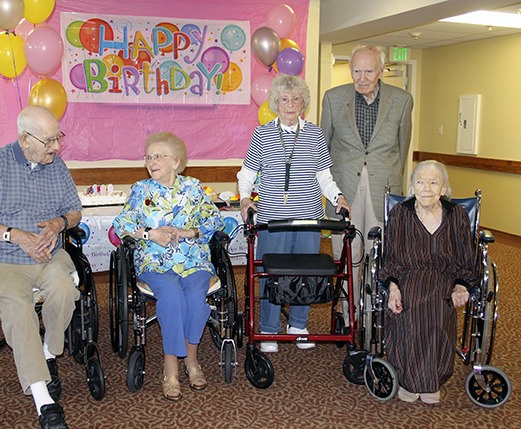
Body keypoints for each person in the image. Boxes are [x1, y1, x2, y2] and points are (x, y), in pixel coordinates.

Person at [0, 106, 81, 429]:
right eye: (49, 141)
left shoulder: (56, 167)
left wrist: (59, 223)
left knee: (65, 289)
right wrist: (13, 235)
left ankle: (48, 351)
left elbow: (75, 211)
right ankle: (44, 400)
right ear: (24, 139)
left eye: (58, 138)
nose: (56, 147)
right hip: (3, 258)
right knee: (19, 309)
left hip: (48, 254)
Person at [238, 74, 350, 353]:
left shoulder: (314, 134)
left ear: (304, 103)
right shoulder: (262, 134)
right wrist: (243, 199)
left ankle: (298, 324)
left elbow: (324, 175)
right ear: (276, 102)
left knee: (305, 271)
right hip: (272, 218)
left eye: (296, 99)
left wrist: (338, 197)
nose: (290, 105)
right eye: (284, 99)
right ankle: (269, 329)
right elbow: (248, 173)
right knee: (269, 272)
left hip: (308, 217)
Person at [112, 131, 224, 401]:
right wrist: (150, 234)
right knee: (172, 297)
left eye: (159, 156)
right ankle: (171, 366)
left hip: (192, 259)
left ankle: (192, 361)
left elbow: (215, 220)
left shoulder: (193, 187)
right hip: (155, 260)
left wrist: (189, 233)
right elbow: (122, 224)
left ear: (176, 161)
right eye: (148, 156)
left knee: (196, 299)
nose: (152, 161)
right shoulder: (141, 190)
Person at [320, 45, 414, 328]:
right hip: (344, 190)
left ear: (381, 71)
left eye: (368, 71)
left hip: (382, 188)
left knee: (381, 253)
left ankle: (378, 315)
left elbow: (402, 147)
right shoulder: (334, 99)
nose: (361, 77)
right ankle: (351, 317)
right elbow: (323, 148)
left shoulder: (402, 100)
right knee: (348, 254)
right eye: (356, 70)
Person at [379, 160, 477, 404]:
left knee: (436, 307)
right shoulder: (400, 213)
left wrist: (461, 285)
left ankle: (430, 379)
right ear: (412, 186)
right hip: (407, 276)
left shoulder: (457, 215)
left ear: (444, 188)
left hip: (444, 278)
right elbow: (389, 256)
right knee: (410, 307)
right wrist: (392, 288)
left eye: (434, 182)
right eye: (420, 182)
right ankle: (412, 380)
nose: (426, 188)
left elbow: (466, 257)